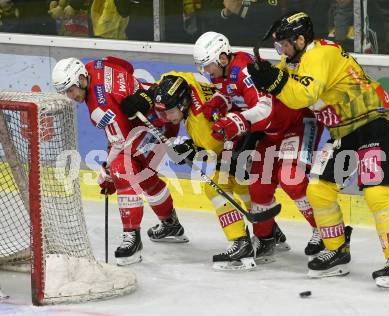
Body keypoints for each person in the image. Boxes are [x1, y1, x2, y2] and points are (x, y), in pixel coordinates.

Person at [246, 11, 389, 288]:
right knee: (319, 189)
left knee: (376, 190)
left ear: (300, 39)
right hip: (345, 131)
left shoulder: (318, 55)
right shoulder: (297, 59)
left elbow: (303, 96)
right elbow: (290, 96)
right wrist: (269, 78)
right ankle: (336, 250)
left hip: (374, 121)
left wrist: (273, 80)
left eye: (284, 45)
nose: (282, 51)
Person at [122, 71, 289, 270]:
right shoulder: (182, 82)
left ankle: (240, 243)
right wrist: (145, 98)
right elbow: (167, 80)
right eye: (161, 112)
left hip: (242, 139)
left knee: (217, 186)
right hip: (249, 126)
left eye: (169, 112)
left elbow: (212, 153)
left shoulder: (201, 125)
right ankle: (270, 232)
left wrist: (190, 150)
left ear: (183, 104)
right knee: (242, 184)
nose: (164, 118)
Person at [193, 31, 324, 261]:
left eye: (208, 66)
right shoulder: (228, 70)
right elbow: (230, 94)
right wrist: (217, 103)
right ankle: (265, 240)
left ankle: (325, 230)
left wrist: (235, 122)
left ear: (223, 58)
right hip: (270, 130)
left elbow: (265, 109)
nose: (206, 72)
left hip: (296, 124)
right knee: (259, 186)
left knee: (291, 179)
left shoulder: (245, 72)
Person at [51, 57, 189, 266]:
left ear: (81, 79)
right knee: (145, 176)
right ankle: (170, 225)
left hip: (150, 129)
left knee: (120, 170)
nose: (70, 96)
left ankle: (132, 238)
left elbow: (121, 142)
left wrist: (106, 174)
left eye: (70, 90)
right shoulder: (97, 65)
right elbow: (127, 66)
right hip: (162, 117)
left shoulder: (99, 106)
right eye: (65, 92)